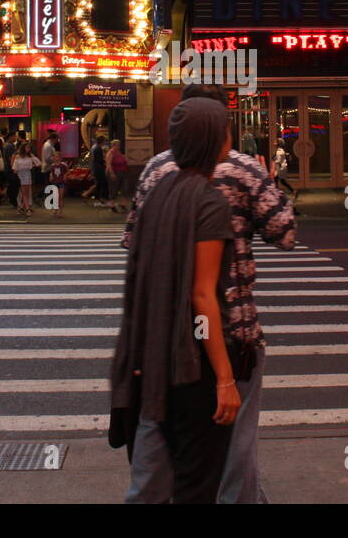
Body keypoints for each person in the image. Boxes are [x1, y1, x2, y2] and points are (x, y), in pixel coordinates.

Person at [121, 84, 297, 504]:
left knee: (157, 438)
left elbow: (133, 242)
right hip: (227, 329)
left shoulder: (154, 171)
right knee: (233, 445)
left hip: (162, 333)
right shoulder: (242, 172)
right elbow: (284, 232)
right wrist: (270, 185)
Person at [111, 97, 242, 504]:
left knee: (152, 483)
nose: (229, 138)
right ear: (213, 140)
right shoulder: (208, 201)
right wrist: (224, 377)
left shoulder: (160, 191)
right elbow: (202, 296)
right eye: (225, 130)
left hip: (152, 359)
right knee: (196, 486)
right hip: (192, 367)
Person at [12, 142, 41, 216]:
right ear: (23, 148)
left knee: (26, 193)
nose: (28, 149)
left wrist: (32, 158)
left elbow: (38, 163)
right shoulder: (18, 156)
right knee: (23, 192)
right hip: (20, 175)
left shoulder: (30, 156)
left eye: (29, 148)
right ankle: (26, 208)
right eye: (27, 147)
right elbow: (14, 168)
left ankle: (23, 207)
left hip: (27, 175)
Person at [107, 138, 129, 212]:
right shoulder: (110, 153)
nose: (119, 146)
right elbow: (108, 164)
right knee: (114, 189)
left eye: (119, 145)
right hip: (115, 172)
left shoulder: (119, 152)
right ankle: (112, 205)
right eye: (117, 145)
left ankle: (122, 204)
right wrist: (112, 173)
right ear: (113, 145)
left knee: (124, 188)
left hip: (122, 172)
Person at [91, 134, 109, 207]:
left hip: (97, 168)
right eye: (104, 141)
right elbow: (99, 160)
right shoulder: (98, 149)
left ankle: (99, 199)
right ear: (102, 141)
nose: (105, 142)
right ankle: (98, 200)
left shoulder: (95, 147)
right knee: (100, 184)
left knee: (99, 184)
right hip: (99, 169)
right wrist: (105, 161)